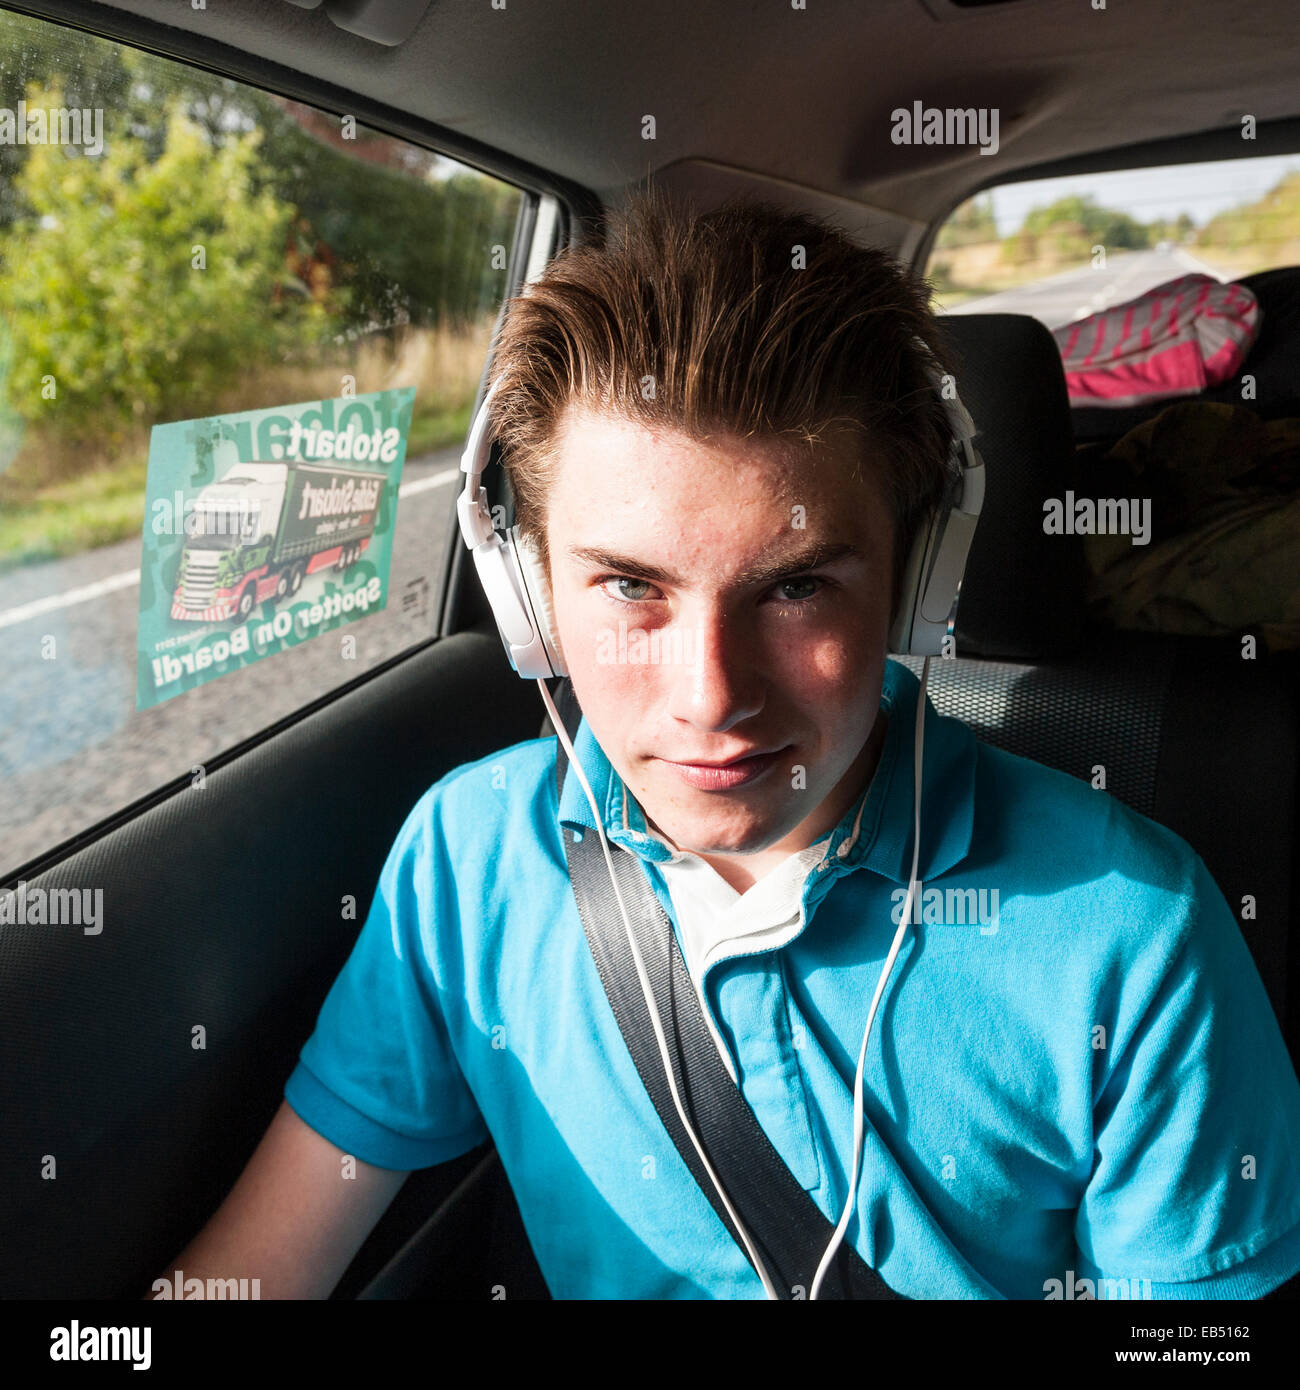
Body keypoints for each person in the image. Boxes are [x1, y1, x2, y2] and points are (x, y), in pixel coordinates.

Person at [152, 189, 1300, 1300]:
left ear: (917, 579)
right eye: (628, 587)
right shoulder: (468, 860)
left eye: (795, 587)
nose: (708, 696)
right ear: (528, 596)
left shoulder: (1135, 933)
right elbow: (262, 1266)